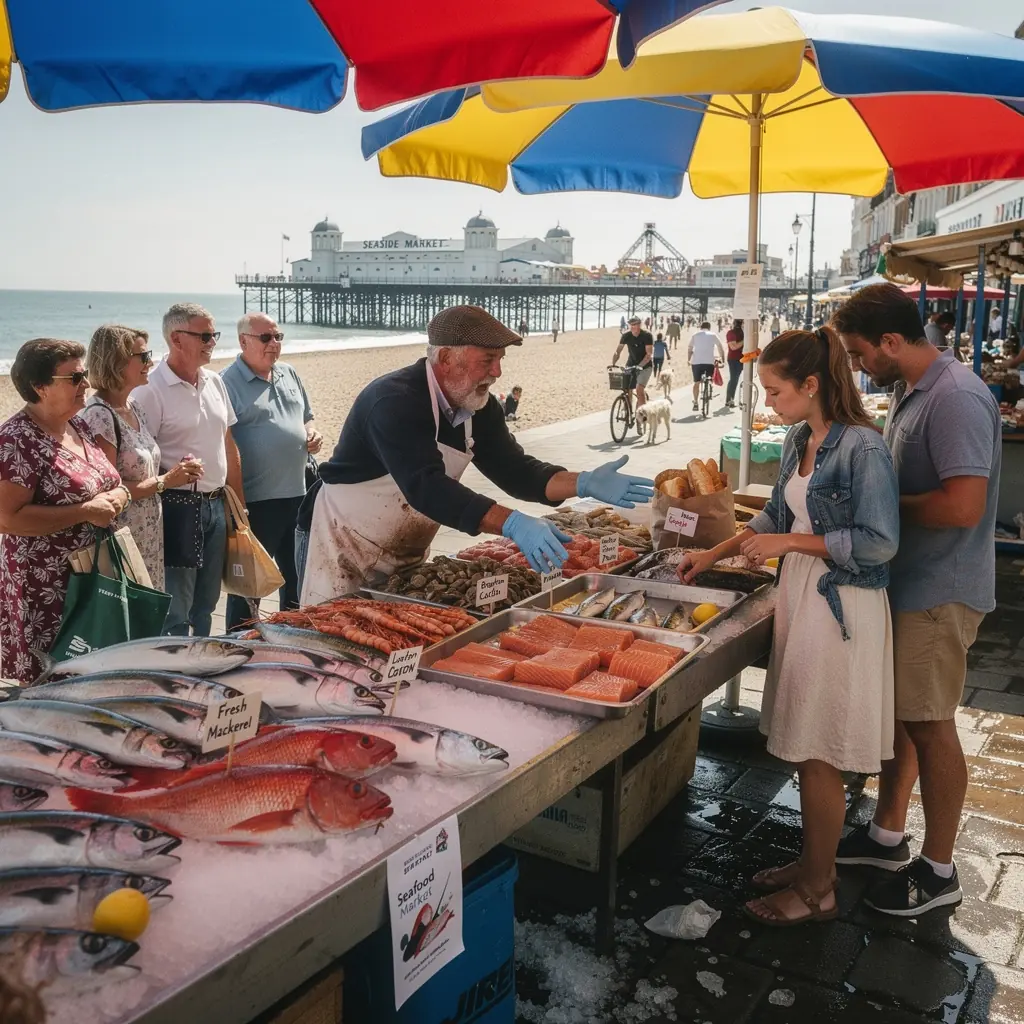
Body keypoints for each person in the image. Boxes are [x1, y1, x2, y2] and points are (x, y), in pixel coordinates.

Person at [680, 327, 900, 926]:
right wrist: (714, 553)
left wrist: (790, 544)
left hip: (841, 606)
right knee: (805, 742)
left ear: (810, 384)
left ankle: (819, 888)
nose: (768, 404)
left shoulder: (864, 447)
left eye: (775, 392)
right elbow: (776, 514)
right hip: (803, 594)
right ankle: (811, 864)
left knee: (819, 751)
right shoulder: (803, 436)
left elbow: (880, 543)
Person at [834, 283, 1001, 916]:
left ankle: (939, 872)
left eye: (858, 354)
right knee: (908, 717)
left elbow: (963, 506)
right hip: (911, 584)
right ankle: (886, 835)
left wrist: (878, 510)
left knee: (932, 727)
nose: (855, 365)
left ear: (893, 342)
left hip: (940, 590)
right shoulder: (909, 390)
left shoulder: (955, 398)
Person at [301, 306, 654, 602]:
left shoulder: (479, 407)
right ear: (444, 358)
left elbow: (517, 471)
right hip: (339, 544)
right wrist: (513, 523)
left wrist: (584, 482)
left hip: (403, 552)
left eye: (499, 360)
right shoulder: (393, 402)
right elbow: (427, 488)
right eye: (487, 360)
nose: (497, 373)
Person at [0, 340, 128, 681]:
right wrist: (85, 511)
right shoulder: (17, 440)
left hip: (92, 576)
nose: (86, 384)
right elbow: (7, 518)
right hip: (48, 589)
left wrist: (119, 495)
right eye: (74, 378)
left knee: (95, 675)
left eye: (84, 374)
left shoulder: (78, 426)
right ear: (39, 387)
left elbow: (110, 480)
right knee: (53, 684)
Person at [133, 303, 245, 637]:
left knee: (208, 603)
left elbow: (228, 442)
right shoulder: (149, 390)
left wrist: (239, 503)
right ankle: (178, 675)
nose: (212, 342)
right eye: (205, 335)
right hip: (177, 508)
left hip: (216, 504)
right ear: (177, 338)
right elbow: (140, 458)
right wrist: (170, 476)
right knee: (177, 607)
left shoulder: (215, 381)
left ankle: (202, 670)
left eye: (214, 334)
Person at [220, 314, 322, 632]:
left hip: (298, 493)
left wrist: (312, 432)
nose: (274, 344)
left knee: (296, 576)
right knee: (249, 586)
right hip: (256, 502)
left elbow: (307, 417)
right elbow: (222, 443)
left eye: (278, 336)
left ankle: (289, 637)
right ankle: (239, 644)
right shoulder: (226, 383)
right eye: (265, 338)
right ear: (243, 341)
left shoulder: (289, 372)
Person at [81, 325, 200, 592]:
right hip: (122, 537)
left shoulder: (134, 407)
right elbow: (107, 492)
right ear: (117, 361)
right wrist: (167, 481)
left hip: (148, 533)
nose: (151, 363)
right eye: (143, 357)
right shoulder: (100, 416)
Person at [610, 316, 654, 408]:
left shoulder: (647, 335)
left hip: (645, 366)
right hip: (631, 364)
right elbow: (618, 351)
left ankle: (642, 415)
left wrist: (640, 365)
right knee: (627, 388)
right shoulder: (626, 335)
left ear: (640, 324)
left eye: (636, 324)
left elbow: (649, 354)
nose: (634, 326)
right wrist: (613, 363)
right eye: (632, 324)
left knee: (639, 389)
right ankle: (628, 410)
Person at [688, 321, 726, 411]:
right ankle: (709, 386)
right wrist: (722, 359)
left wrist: (688, 359)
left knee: (696, 383)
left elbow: (690, 348)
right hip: (709, 362)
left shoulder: (695, 335)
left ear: (701, 327)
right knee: (709, 378)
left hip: (696, 362)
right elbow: (720, 347)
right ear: (709, 328)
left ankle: (696, 402)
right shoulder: (713, 335)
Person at [724, 320, 744, 409]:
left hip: (741, 358)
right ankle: (730, 400)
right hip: (734, 358)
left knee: (734, 379)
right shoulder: (731, 333)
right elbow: (733, 347)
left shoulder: (741, 333)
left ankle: (729, 399)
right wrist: (745, 340)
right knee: (734, 379)